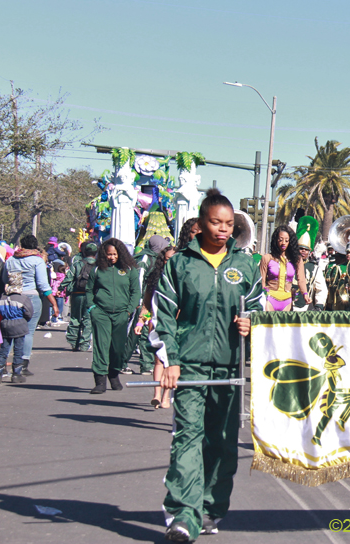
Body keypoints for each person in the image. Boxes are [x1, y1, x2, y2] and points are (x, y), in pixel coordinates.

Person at [156, 188, 263, 542]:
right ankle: (183, 515)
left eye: (229, 224)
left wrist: (252, 322)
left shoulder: (245, 265)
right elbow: (163, 316)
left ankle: (210, 509)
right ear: (201, 224)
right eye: (216, 223)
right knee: (188, 438)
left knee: (222, 442)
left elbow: (259, 308)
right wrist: (170, 361)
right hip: (189, 366)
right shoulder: (179, 264)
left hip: (230, 368)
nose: (223, 229)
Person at [0, 235, 60, 378]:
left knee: (9, 331)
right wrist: (54, 303)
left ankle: (2, 364)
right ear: (35, 246)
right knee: (27, 332)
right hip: (31, 298)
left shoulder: (11, 260)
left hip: (13, 298)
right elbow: (43, 285)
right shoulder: (37, 261)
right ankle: (22, 364)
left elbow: (4, 279)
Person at [87, 238, 141, 394]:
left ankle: (114, 373)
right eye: (109, 254)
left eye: (115, 254)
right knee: (101, 346)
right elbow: (89, 290)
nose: (112, 257)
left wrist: (128, 311)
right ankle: (100, 380)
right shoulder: (97, 270)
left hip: (121, 314)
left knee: (118, 348)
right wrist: (92, 308)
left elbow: (136, 292)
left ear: (120, 254)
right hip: (101, 313)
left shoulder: (130, 270)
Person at [134, 243, 176, 409]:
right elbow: (147, 303)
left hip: (176, 324)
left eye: (172, 259)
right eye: (166, 259)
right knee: (158, 360)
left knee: (170, 361)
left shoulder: (183, 277)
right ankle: (157, 394)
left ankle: (166, 396)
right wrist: (141, 321)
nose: (169, 262)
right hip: (157, 322)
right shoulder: (155, 277)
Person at [0, 273, 34, 384]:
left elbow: (0, 311)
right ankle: (16, 374)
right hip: (19, 324)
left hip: (5, 324)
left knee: (3, 350)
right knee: (18, 350)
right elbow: (29, 313)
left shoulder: (2, 297)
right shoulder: (23, 298)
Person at [259, 225, 308, 312]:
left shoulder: (297, 259)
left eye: (286, 240)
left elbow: (301, 279)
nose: (283, 243)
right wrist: (262, 296)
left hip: (287, 301)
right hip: (270, 299)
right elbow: (261, 280)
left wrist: (305, 294)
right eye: (280, 240)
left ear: (290, 241)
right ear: (275, 240)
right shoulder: (266, 258)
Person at [60, 242, 98, 352]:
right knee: (88, 319)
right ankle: (84, 344)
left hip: (77, 294)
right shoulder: (98, 266)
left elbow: (69, 278)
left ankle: (73, 342)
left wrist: (60, 288)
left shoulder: (77, 264)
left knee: (75, 318)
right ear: (96, 253)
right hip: (91, 296)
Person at [49, 259, 67, 325]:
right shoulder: (63, 276)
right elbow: (64, 285)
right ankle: (57, 318)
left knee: (54, 306)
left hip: (53, 292)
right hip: (60, 293)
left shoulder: (54, 275)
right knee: (60, 307)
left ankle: (52, 318)